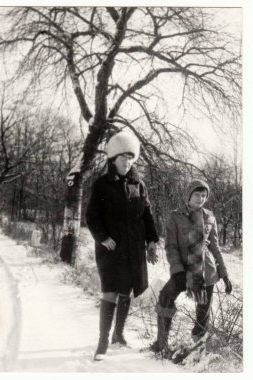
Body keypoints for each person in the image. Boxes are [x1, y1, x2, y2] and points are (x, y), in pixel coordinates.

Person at [86, 131, 159, 361]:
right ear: (112, 159)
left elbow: (146, 215)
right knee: (109, 292)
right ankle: (102, 343)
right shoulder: (102, 184)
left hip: (133, 249)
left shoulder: (138, 184)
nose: (127, 162)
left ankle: (119, 335)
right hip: (110, 249)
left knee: (126, 292)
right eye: (122, 158)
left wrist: (152, 241)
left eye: (130, 158)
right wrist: (102, 237)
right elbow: (91, 216)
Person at [151, 179, 232, 356]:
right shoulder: (175, 216)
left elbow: (215, 248)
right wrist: (177, 270)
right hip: (182, 269)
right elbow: (171, 246)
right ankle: (161, 344)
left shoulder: (210, 216)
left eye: (204, 196)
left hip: (206, 271)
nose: (201, 198)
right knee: (165, 297)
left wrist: (224, 274)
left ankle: (196, 353)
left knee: (202, 315)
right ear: (188, 195)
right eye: (197, 194)